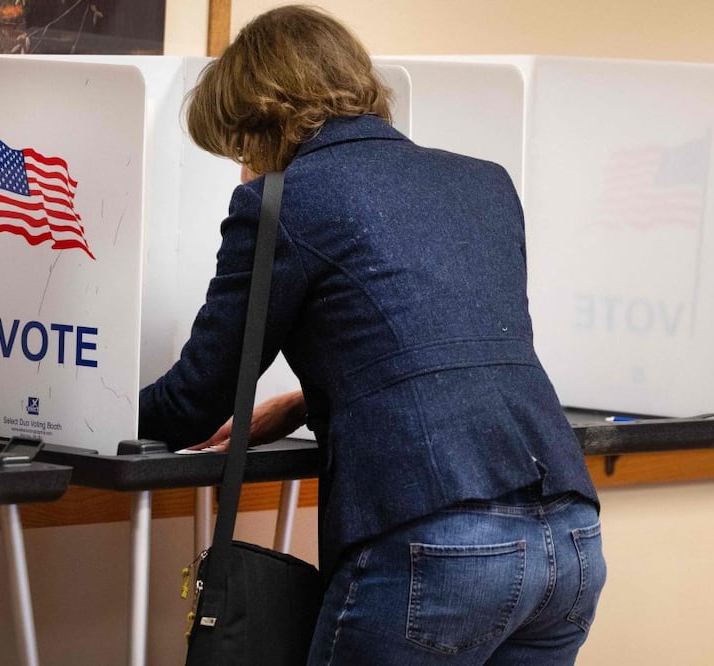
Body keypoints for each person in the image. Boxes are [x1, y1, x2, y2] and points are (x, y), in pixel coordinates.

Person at [138, 5, 606, 664]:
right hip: (569, 535)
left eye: (239, 143)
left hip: (439, 543)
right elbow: (453, 346)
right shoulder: (482, 183)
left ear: (258, 118)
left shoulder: (282, 202)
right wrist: (306, 401)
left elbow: (194, 401)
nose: (241, 163)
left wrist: (93, 415)